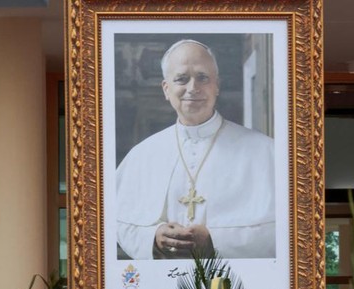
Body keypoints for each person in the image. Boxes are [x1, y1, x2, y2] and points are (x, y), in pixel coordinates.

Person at [116, 39, 276, 260]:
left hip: (237, 288)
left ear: (216, 85)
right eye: (182, 79)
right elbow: (115, 221)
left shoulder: (266, 152)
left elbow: (286, 229)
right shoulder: (141, 155)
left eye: (203, 77)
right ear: (166, 89)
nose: (193, 88)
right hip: (160, 285)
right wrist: (152, 237)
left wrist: (214, 240)